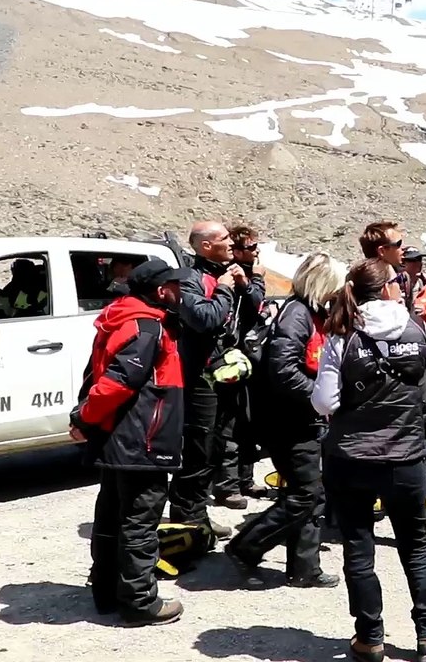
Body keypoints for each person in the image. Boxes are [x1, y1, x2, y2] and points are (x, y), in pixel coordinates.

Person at [311, 259, 426, 662]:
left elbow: (324, 401)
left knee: (358, 547)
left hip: (350, 457)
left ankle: (369, 638)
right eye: (398, 281)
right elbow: (422, 381)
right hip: (405, 456)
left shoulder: (340, 336)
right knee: (415, 544)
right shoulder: (419, 332)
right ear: (385, 289)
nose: (403, 285)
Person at [72, 259, 192, 626]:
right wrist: (84, 418)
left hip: (120, 437)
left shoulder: (121, 318)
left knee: (111, 516)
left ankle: (107, 592)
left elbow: (96, 374)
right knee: (139, 521)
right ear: (159, 291)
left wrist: (88, 419)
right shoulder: (146, 327)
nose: (180, 292)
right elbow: (118, 381)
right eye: (175, 285)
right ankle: (140, 602)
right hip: (143, 440)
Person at [227, 253, 346, 590]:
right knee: (305, 494)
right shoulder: (297, 315)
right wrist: (319, 398)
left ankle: (304, 567)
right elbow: (283, 372)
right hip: (288, 421)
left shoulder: (311, 314)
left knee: (309, 492)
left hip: (302, 418)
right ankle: (245, 548)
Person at [168, 221, 241, 539]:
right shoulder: (190, 279)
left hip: (223, 373)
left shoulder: (221, 274)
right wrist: (225, 288)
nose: (230, 241)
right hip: (199, 377)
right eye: (224, 238)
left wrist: (247, 286)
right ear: (206, 246)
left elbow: (243, 317)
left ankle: (198, 515)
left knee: (215, 446)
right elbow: (204, 319)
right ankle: (188, 519)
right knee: (198, 449)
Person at [213, 223, 268, 508]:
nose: (257, 252)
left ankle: (245, 479)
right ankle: (226, 485)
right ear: (235, 250)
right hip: (229, 358)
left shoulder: (247, 274)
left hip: (249, 357)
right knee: (230, 424)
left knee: (247, 421)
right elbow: (255, 303)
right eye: (251, 247)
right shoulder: (231, 276)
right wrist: (254, 282)